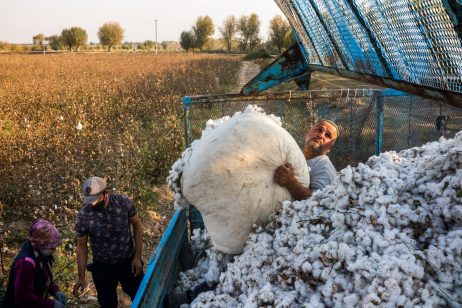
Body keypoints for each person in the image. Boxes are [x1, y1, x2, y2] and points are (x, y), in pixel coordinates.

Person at [72, 176, 144, 308]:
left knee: (142, 297)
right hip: (102, 267)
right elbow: (81, 246)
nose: (93, 204)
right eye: (90, 201)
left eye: (96, 200)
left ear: (106, 194)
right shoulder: (84, 215)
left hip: (128, 263)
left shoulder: (123, 203)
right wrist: (81, 277)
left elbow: (137, 226)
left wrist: (137, 257)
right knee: (107, 303)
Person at [1, 219, 66, 308]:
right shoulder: (25, 263)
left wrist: (54, 290)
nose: (53, 250)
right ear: (41, 243)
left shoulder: (41, 255)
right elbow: (23, 299)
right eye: (52, 248)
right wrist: (51, 305)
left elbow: (43, 278)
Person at [274, 119, 339, 200]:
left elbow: (318, 200)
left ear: (330, 147)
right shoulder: (290, 151)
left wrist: (291, 182)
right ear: (306, 134)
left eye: (328, 135)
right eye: (319, 130)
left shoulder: (325, 168)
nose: (321, 135)